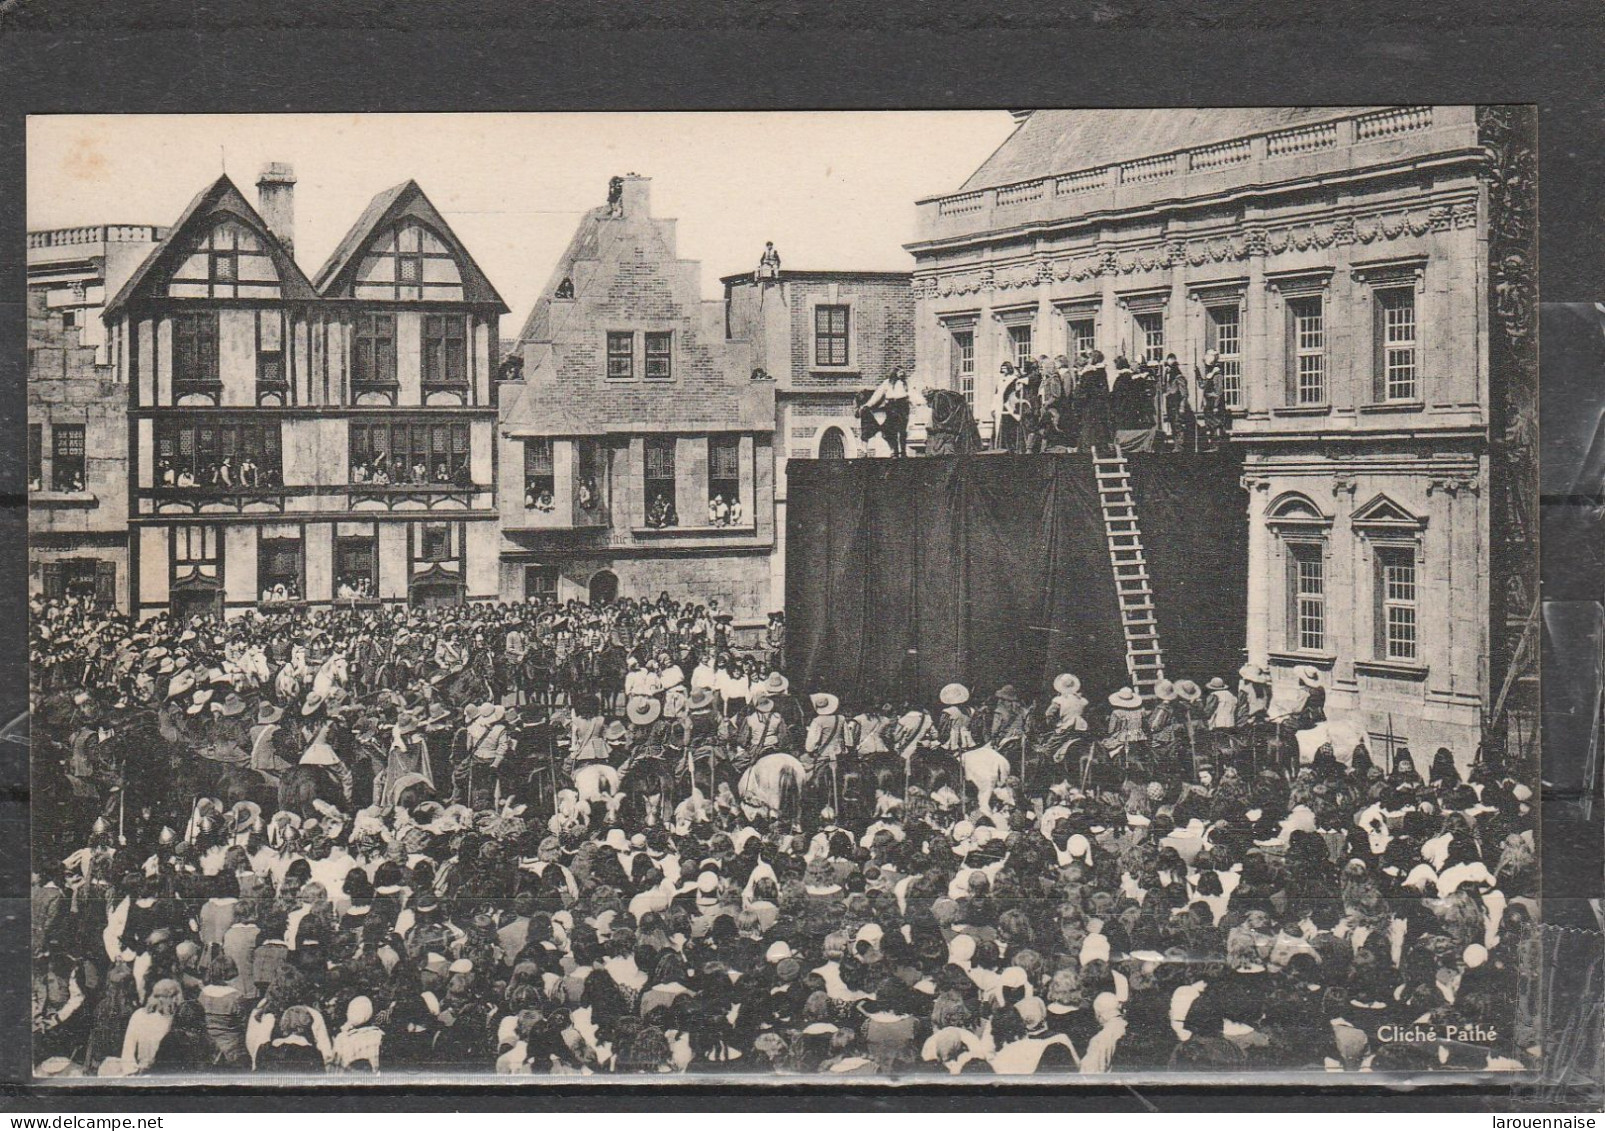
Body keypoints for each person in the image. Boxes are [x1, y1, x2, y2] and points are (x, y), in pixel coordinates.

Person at [859, 368, 911, 458]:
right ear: (895, 373)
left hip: (903, 406)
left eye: (903, 372)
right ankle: (894, 451)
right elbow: (878, 395)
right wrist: (868, 405)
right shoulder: (888, 383)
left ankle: (903, 452)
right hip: (892, 406)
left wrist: (918, 402)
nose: (902, 374)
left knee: (902, 430)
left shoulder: (906, 383)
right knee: (892, 429)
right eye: (899, 372)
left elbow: (912, 394)